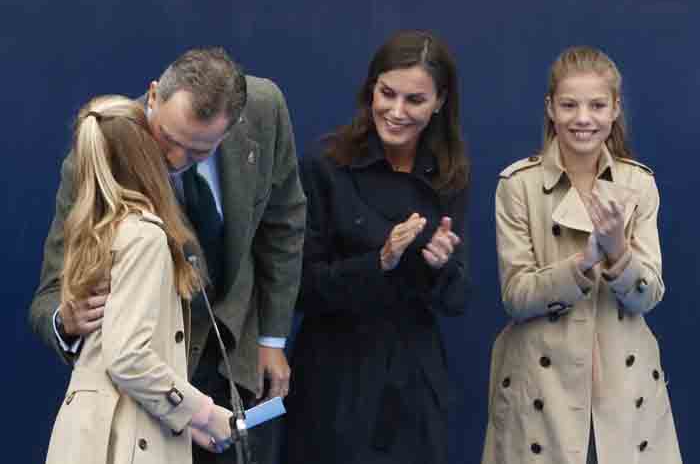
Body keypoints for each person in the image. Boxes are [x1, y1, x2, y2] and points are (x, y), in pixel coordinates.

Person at [30, 48, 306, 464]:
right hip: (152, 401)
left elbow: (284, 224)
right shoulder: (101, 158)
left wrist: (271, 339)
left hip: (236, 370)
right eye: (169, 141)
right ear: (154, 95)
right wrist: (65, 320)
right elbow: (51, 297)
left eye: (199, 151)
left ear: (231, 130)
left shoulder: (265, 109)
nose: (176, 160)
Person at [481, 46, 682, 464]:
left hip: (624, 392)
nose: (583, 118)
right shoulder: (518, 185)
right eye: (569, 105)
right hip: (541, 390)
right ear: (550, 108)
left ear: (614, 110)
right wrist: (583, 261)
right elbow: (515, 297)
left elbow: (648, 296)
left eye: (596, 105)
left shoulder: (638, 184)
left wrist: (619, 253)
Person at [285, 30, 470, 464]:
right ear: (371, 88)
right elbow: (300, 289)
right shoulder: (325, 166)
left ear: (440, 101)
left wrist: (440, 266)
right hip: (334, 383)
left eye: (415, 100)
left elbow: (457, 299)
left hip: (413, 388)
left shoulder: (448, 174)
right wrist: (380, 262)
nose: (397, 111)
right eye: (387, 93)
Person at [45, 95, 235, 463]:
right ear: (145, 156)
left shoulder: (98, 231)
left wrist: (188, 424)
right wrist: (207, 414)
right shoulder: (144, 235)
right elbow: (128, 357)